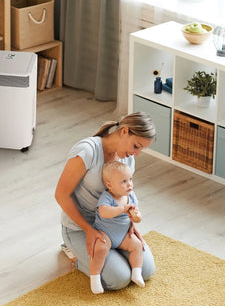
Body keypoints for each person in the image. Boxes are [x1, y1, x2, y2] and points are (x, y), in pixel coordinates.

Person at [55, 111, 156, 291]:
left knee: (147, 270)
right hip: (81, 228)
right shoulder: (87, 151)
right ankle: (74, 252)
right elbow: (61, 195)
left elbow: (125, 194)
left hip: (115, 227)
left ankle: (113, 253)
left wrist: (130, 223)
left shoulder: (128, 157)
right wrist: (89, 230)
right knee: (118, 279)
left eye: (141, 149)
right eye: (136, 146)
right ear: (124, 131)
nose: (137, 153)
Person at [90, 161, 144, 294]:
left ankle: (136, 273)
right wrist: (122, 209)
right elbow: (104, 212)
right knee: (101, 249)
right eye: (123, 181)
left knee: (136, 245)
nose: (129, 184)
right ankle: (95, 277)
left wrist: (136, 218)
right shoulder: (107, 197)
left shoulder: (130, 196)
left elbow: (138, 215)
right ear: (109, 185)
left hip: (123, 235)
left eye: (130, 179)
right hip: (105, 233)